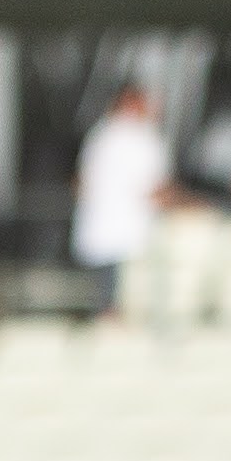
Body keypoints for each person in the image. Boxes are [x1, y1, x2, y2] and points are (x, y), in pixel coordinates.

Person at [72, 84, 172, 317]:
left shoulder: (99, 135)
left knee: (104, 307)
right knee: (120, 310)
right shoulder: (140, 138)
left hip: (100, 237)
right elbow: (157, 190)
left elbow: (81, 185)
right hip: (128, 242)